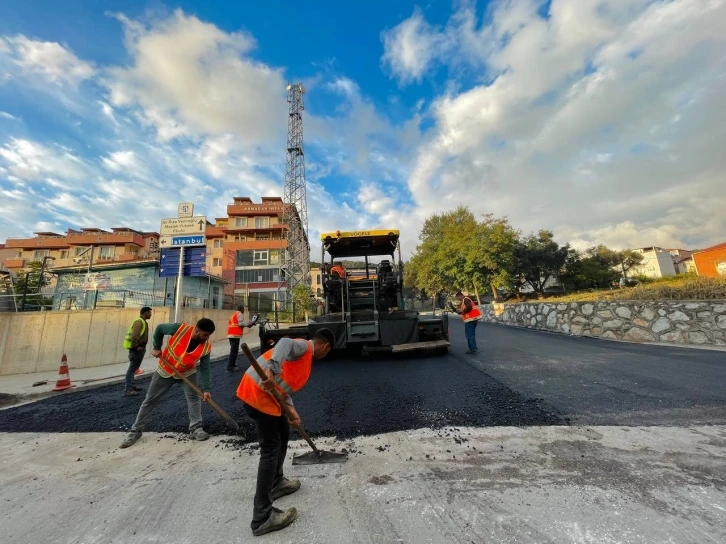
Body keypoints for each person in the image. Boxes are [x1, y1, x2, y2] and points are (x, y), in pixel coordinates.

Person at [237, 329, 335, 537]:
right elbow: (284, 342)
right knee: (270, 449)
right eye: (327, 353)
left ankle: (276, 482)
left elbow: (283, 387)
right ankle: (262, 518)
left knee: (283, 433)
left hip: (268, 398)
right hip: (258, 397)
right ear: (325, 347)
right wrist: (272, 368)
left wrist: (291, 411)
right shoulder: (303, 347)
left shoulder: (305, 358)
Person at [119, 318, 216, 449]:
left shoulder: (206, 347)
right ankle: (135, 431)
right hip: (166, 370)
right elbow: (159, 329)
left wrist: (206, 389)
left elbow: (205, 368)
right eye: (205, 335)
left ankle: (196, 429)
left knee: (194, 399)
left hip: (187, 372)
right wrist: (157, 347)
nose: (207, 338)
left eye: (209, 335)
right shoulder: (179, 329)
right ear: (197, 330)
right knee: (150, 400)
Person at [122, 306, 152, 396]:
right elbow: (135, 336)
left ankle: (131, 385)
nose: (151, 314)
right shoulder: (139, 322)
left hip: (139, 349)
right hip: (136, 350)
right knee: (132, 369)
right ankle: (128, 389)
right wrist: (136, 347)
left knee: (134, 368)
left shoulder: (143, 322)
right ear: (145, 313)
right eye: (150, 313)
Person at [227, 305, 256, 372]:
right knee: (234, 351)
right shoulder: (240, 314)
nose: (244, 311)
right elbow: (240, 324)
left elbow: (237, 324)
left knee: (233, 351)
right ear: (241, 309)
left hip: (231, 334)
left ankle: (233, 365)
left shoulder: (234, 315)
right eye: (243, 309)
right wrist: (248, 325)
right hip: (235, 335)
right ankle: (230, 367)